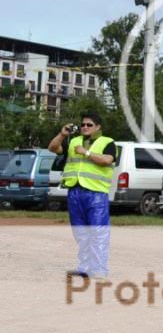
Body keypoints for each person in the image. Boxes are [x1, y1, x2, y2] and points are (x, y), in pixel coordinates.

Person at [47, 113, 117, 279]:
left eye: (89, 124)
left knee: (98, 232)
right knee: (81, 233)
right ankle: (84, 267)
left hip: (96, 193)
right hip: (75, 191)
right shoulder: (73, 141)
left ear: (98, 127)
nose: (85, 127)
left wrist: (85, 153)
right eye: (83, 124)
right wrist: (62, 134)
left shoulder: (107, 142)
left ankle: (99, 269)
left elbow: (107, 160)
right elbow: (52, 148)